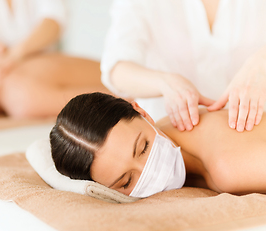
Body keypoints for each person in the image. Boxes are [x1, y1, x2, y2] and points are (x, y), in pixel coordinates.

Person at [50, 92, 266, 198]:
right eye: (126, 182)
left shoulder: (228, 167)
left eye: (143, 148)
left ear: (143, 113)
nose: (150, 171)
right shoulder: (165, 130)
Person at [101, 0, 266, 133]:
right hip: (173, 138)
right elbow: (116, 69)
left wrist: (261, 62)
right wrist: (165, 83)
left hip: (255, 130)